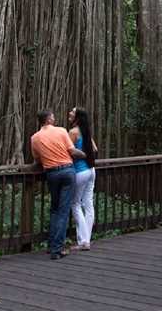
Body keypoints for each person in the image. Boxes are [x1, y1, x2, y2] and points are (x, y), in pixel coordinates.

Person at [30, 109, 86, 259]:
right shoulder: (61, 131)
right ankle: (57, 249)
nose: (54, 118)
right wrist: (86, 155)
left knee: (55, 210)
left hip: (51, 174)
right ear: (48, 119)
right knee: (63, 211)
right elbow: (73, 151)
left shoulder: (34, 138)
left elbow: (37, 160)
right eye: (53, 116)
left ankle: (51, 245)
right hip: (67, 172)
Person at [68, 106, 97, 250]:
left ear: (77, 117)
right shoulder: (86, 132)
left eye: (72, 112)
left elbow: (67, 150)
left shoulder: (73, 132)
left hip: (80, 171)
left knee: (75, 204)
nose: (70, 113)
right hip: (91, 170)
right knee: (88, 204)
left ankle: (83, 242)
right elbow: (95, 150)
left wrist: (78, 156)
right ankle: (86, 239)